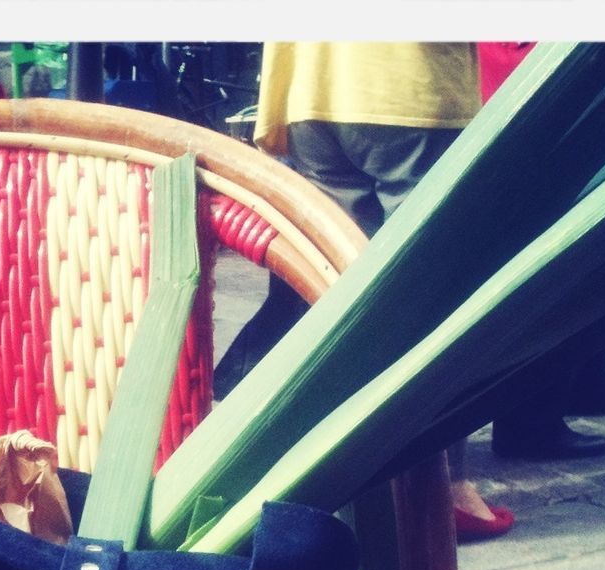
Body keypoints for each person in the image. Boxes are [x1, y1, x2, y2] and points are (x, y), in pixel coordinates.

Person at [220, 42, 513, 541]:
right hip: (406, 84)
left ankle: (259, 441)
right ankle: (440, 489)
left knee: (332, 288)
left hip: (312, 85)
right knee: (430, 291)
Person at [477, 42, 605, 460]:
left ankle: (585, 383)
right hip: (538, 102)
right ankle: (531, 422)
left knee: (585, 255)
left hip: (529, 96)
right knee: (553, 270)